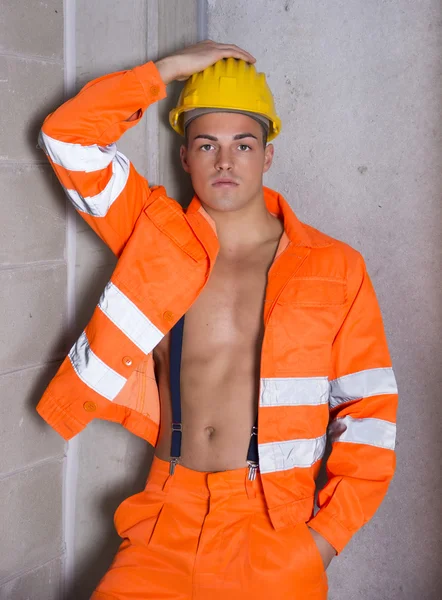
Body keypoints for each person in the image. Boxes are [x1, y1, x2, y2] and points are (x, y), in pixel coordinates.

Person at [36, 40, 398, 599]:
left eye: (243, 145)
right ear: (185, 156)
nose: (225, 162)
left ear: (268, 155)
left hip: (274, 528)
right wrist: (165, 72)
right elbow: (68, 136)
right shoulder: (150, 232)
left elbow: (370, 413)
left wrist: (322, 541)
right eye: (206, 145)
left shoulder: (334, 267)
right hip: (163, 513)